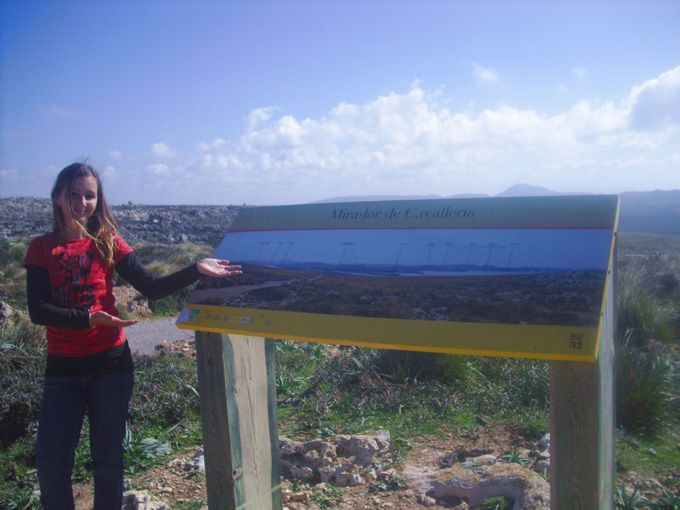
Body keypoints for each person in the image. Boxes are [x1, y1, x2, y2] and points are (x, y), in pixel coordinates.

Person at [24, 162, 242, 510]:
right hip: (62, 371)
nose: (82, 202)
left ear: (99, 199)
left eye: (90, 195)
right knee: (51, 467)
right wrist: (90, 319)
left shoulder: (108, 241)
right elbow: (38, 310)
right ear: (57, 198)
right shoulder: (41, 247)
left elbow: (152, 288)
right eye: (74, 195)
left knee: (108, 463)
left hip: (111, 367)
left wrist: (195, 268)